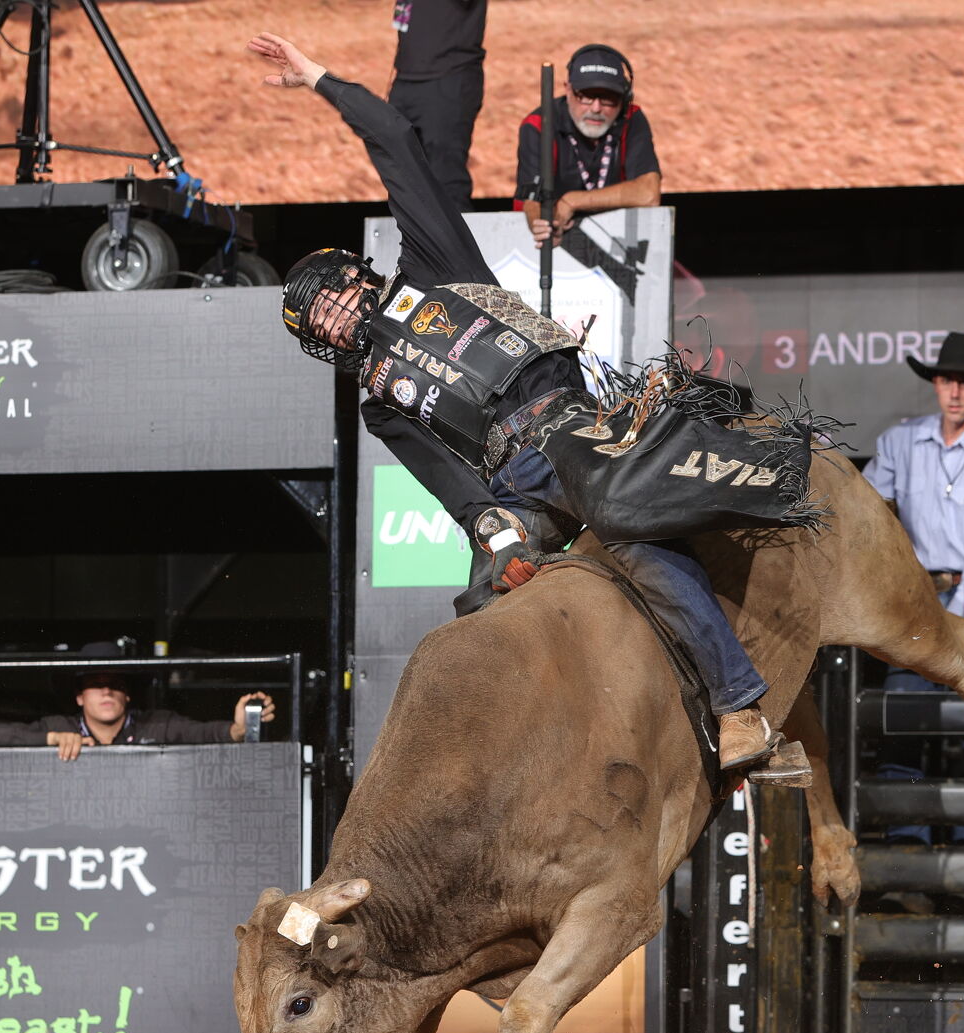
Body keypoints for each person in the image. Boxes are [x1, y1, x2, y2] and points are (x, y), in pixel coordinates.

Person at [253, 31, 817, 776]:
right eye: (316, 324)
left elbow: (394, 138)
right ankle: (521, 769)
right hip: (514, 482)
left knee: (636, 537)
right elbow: (456, 488)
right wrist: (501, 539)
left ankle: (738, 706)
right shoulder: (378, 403)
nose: (331, 320)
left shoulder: (433, 262)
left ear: (354, 276)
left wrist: (319, 78)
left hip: (569, 427)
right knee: (481, 609)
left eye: (327, 301)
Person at [864, 331, 964, 843]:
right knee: (904, 721)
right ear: (935, 384)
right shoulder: (898, 442)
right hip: (913, 604)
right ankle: (906, 843)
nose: (955, 391)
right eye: (946, 380)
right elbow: (866, 518)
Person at [0, 644, 274, 760]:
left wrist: (238, 729)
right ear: (79, 696)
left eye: (115, 685)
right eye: (96, 684)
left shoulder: (157, 724)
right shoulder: (58, 726)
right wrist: (50, 739)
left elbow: (205, 734)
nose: (106, 691)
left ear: (127, 694)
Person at [514, 44, 661, 249]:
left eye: (608, 98)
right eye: (586, 95)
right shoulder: (538, 125)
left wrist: (573, 201)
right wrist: (543, 225)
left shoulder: (632, 118)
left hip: (619, 241)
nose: (596, 108)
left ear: (624, 99)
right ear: (567, 89)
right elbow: (528, 201)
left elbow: (648, 193)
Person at [386, 0, 487, 204]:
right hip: (406, 78)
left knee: (446, 182)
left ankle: (456, 236)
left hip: (448, 76)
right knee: (406, 185)